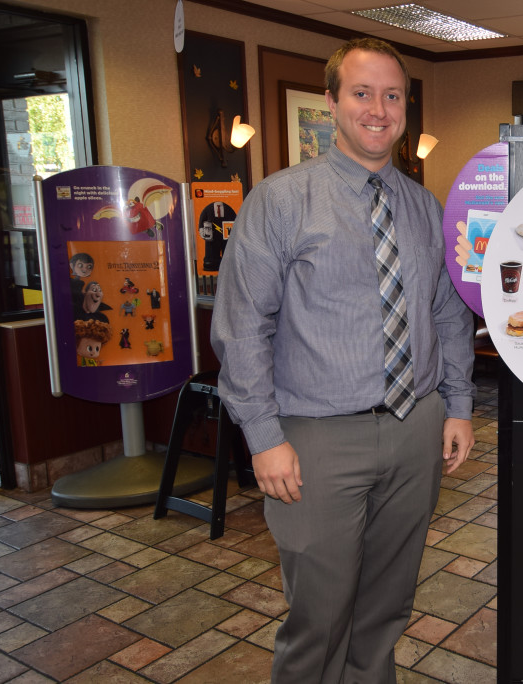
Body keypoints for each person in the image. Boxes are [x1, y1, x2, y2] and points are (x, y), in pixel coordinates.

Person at [210, 37, 477, 683]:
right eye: (362, 93)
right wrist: (263, 438)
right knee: (319, 614)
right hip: (316, 438)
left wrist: (459, 405)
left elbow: (447, 312)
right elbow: (242, 325)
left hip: (415, 429)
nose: (378, 109)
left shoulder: (423, 207)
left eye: (392, 96)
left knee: (387, 606)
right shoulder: (279, 200)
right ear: (331, 102)